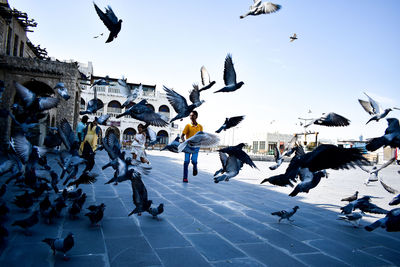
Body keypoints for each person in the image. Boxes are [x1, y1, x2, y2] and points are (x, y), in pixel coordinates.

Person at [181, 111, 203, 183]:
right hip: (188, 146)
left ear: (196, 116)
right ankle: (185, 178)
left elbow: (201, 136)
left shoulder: (200, 127)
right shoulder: (188, 126)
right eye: (190, 116)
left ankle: (195, 167)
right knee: (186, 162)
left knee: (194, 161)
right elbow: (182, 136)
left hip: (196, 147)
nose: (191, 117)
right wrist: (184, 142)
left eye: (192, 115)